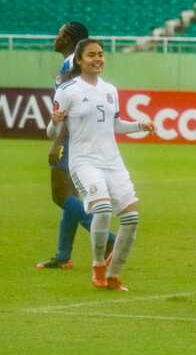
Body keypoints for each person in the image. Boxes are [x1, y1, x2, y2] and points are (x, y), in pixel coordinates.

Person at [46, 39, 155, 291]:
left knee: (131, 218)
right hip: (84, 161)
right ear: (80, 60)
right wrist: (54, 121)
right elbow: (52, 132)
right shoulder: (67, 90)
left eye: (101, 54)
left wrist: (140, 125)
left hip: (112, 161)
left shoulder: (110, 90)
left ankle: (113, 274)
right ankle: (97, 266)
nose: (98, 59)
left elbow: (115, 125)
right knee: (103, 210)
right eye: (91, 55)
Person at [37, 22, 116, 270]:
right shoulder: (71, 61)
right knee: (70, 196)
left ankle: (110, 240)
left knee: (60, 196)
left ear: (69, 38)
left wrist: (57, 142)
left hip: (75, 137)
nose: (55, 38)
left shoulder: (73, 62)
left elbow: (74, 105)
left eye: (59, 34)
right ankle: (63, 255)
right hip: (83, 135)